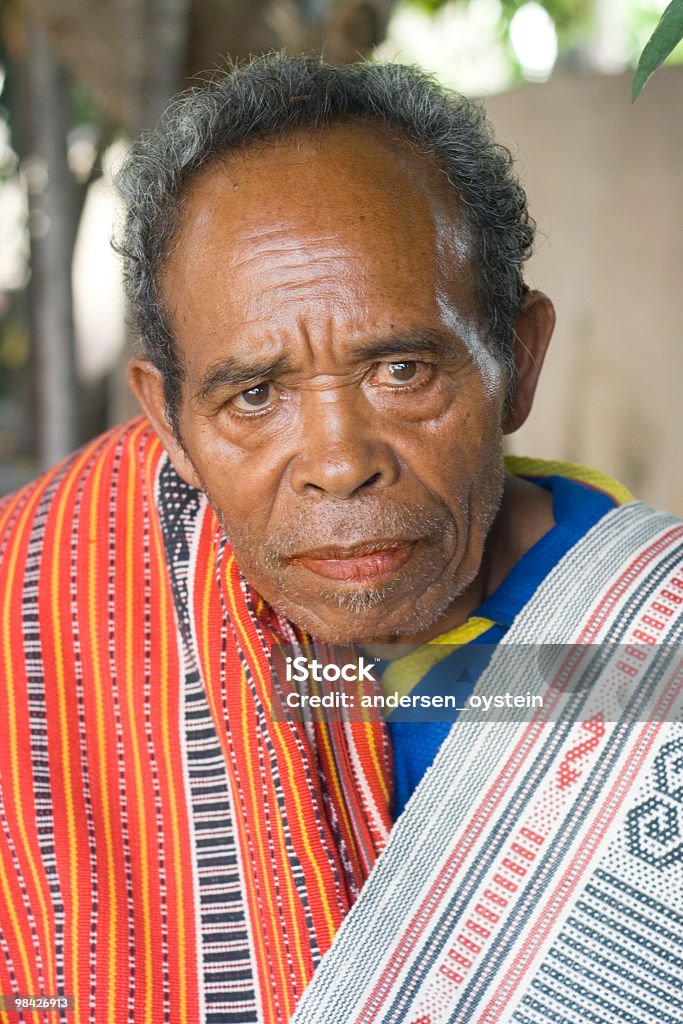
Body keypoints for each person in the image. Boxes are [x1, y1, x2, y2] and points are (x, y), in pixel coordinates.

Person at [0, 53, 681, 1024]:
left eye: (401, 370)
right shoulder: (35, 615)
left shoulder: (650, 637)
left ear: (516, 363)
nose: (336, 461)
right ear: (170, 424)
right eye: (255, 394)